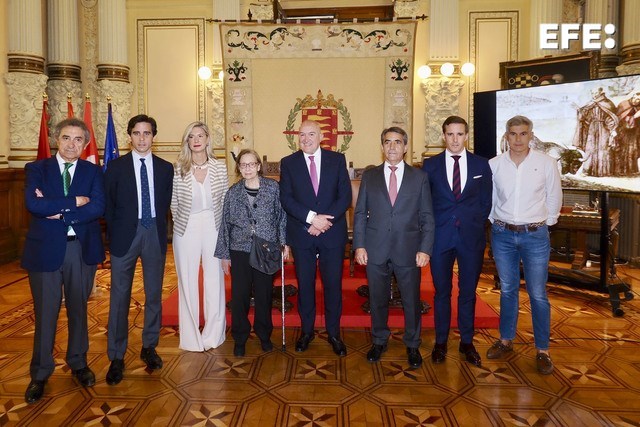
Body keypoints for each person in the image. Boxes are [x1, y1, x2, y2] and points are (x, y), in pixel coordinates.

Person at [22, 118, 105, 403]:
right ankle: (40, 373)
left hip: (79, 250)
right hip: (45, 250)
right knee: (46, 313)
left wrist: (57, 209)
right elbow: (34, 204)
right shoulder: (36, 169)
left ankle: (79, 363)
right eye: (67, 138)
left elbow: (97, 206)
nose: (72, 144)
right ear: (58, 139)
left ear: (86, 144)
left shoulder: (93, 171)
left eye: (78, 139)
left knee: (79, 310)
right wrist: (73, 201)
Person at [353, 126, 435, 369]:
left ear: (406, 147)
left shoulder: (419, 177)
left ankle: (412, 344)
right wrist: (359, 245)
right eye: (387, 142)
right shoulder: (370, 176)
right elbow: (359, 214)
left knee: (411, 300)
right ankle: (379, 340)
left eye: (397, 142)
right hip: (375, 248)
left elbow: (427, 216)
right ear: (381, 146)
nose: (392, 147)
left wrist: (425, 249)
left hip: (408, 249)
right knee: (377, 299)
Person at [487, 115, 562, 375]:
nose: (518, 139)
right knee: (508, 289)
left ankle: (542, 350)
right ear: (506, 136)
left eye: (523, 133)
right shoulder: (494, 164)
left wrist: (544, 223)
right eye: (513, 134)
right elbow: (492, 198)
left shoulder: (546, 163)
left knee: (538, 293)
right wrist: (495, 221)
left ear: (531, 135)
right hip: (502, 235)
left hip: (535, 235)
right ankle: (505, 340)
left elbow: (554, 196)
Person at [104, 114, 173, 385]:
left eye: (147, 133)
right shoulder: (115, 167)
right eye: (137, 133)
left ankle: (149, 346)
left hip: (154, 233)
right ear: (129, 136)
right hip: (125, 236)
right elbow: (108, 207)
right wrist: (117, 233)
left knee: (154, 294)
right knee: (119, 297)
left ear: (153, 136)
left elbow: (166, 202)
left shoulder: (165, 168)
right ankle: (116, 356)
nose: (142, 138)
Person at [422, 116, 492, 367]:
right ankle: (440, 342)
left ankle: (467, 342)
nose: (455, 139)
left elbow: (486, 202)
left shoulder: (481, 165)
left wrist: (472, 222)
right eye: (450, 134)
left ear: (466, 136)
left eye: (460, 134)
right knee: (441, 292)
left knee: (468, 293)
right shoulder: (429, 166)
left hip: (470, 239)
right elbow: (425, 203)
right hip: (440, 238)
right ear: (443, 136)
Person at [279, 120, 352, 356]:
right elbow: (286, 199)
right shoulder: (288, 163)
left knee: (333, 286)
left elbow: (345, 197)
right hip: (302, 234)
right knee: (306, 286)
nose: (306, 138)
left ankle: (334, 333)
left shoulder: (337, 160)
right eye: (302, 134)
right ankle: (307, 332)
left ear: (321, 136)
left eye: (311, 134)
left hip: (332, 234)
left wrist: (322, 222)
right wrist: (312, 219)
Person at [215, 149, 288, 356]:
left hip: (266, 248)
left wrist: (284, 243)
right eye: (243, 165)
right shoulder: (233, 192)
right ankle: (240, 337)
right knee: (240, 296)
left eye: (251, 164)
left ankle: (264, 335)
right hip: (240, 249)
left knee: (264, 295)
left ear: (258, 166)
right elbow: (225, 224)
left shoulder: (273, 188)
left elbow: (282, 218)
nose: (247, 168)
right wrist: (224, 254)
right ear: (239, 168)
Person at [171, 122, 228, 352]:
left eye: (200, 135)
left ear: (207, 139)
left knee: (214, 279)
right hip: (186, 228)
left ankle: (213, 335)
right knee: (187, 280)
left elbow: (225, 202)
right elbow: (173, 203)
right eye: (191, 136)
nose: (196, 139)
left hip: (214, 225)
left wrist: (225, 234)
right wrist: (182, 224)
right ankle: (192, 338)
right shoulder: (178, 168)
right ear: (187, 141)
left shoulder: (220, 167)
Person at [573, 87, 618, 177]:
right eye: (592, 93)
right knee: (590, 148)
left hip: (603, 129)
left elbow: (610, 118)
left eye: (595, 92)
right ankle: (587, 171)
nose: (593, 94)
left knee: (603, 148)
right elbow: (585, 118)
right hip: (592, 129)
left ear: (601, 92)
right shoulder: (591, 104)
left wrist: (612, 130)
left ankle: (604, 172)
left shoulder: (607, 103)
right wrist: (580, 111)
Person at [614, 91, 640, 176]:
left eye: (638, 100)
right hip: (623, 131)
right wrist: (634, 117)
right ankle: (620, 170)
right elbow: (618, 118)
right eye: (635, 98)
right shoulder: (623, 104)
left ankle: (632, 170)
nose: (636, 101)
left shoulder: (639, 107)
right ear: (633, 96)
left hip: (634, 133)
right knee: (622, 150)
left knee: (633, 150)